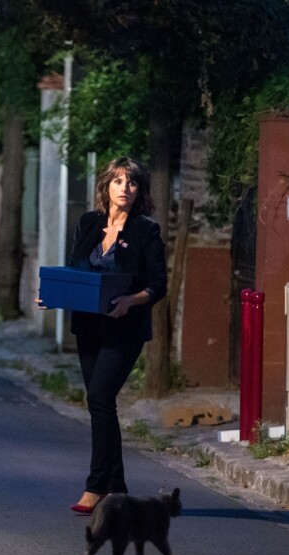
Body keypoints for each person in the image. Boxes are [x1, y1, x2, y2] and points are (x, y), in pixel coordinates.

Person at [66, 156, 167, 513]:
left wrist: (132, 300)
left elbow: (158, 285)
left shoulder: (145, 230)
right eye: (118, 181)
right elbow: (75, 270)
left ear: (140, 190)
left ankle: (95, 487)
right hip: (88, 326)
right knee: (101, 405)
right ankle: (118, 488)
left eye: (132, 183)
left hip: (125, 329)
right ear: (106, 186)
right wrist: (54, 294)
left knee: (99, 397)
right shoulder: (89, 223)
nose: (125, 188)